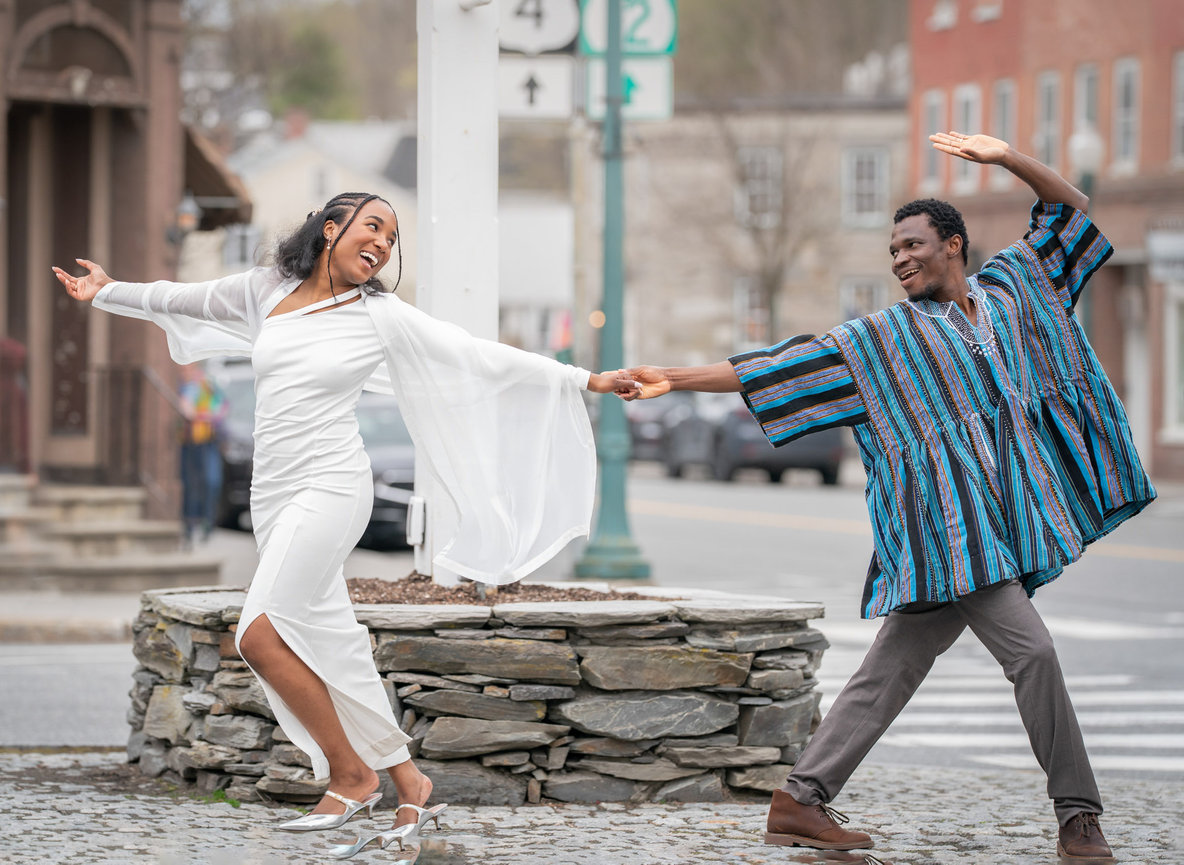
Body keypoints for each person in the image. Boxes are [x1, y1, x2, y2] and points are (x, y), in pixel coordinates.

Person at [617, 133, 1155, 864]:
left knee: (893, 664)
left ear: (954, 245)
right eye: (892, 250)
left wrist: (1004, 160)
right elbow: (781, 366)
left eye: (912, 243)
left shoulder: (1019, 287)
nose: (900, 258)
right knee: (1035, 654)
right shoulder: (882, 338)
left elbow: (1070, 209)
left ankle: (801, 799)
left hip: (1000, 522)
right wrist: (675, 378)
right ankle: (1079, 815)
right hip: (949, 533)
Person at [54, 192, 628, 849]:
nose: (382, 243)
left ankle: (352, 773)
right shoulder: (266, 290)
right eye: (372, 227)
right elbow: (180, 298)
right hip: (272, 492)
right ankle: (410, 782)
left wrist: (586, 379)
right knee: (332, 641)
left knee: (260, 635)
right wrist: (106, 292)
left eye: (390, 236)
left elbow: (473, 353)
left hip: (331, 486)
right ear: (331, 228)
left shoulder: (378, 315)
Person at [177, 363, 227, 544]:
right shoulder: (181, 387)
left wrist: (205, 416)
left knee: (211, 481)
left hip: (208, 441)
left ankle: (207, 522)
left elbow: (222, 407)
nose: (186, 371)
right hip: (189, 442)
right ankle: (189, 526)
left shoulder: (207, 385)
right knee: (190, 484)